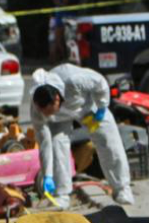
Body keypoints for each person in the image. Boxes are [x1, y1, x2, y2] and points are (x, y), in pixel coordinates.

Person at [30, 63, 135, 208]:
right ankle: (62, 194)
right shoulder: (37, 110)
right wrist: (47, 174)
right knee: (56, 144)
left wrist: (102, 107)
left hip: (87, 107)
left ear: (56, 99)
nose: (46, 115)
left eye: (50, 110)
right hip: (60, 121)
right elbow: (44, 142)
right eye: (45, 113)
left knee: (108, 141)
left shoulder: (74, 80)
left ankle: (122, 188)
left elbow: (100, 83)